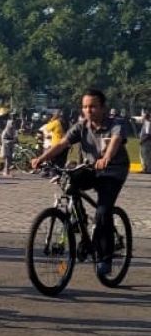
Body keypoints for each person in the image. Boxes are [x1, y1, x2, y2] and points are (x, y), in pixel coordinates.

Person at [31, 89, 129, 276]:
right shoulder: (81, 126)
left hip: (112, 172)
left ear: (103, 108)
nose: (88, 110)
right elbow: (61, 144)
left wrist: (106, 157)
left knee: (102, 212)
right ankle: (79, 219)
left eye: (93, 106)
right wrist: (41, 158)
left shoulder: (116, 124)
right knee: (69, 179)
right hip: (91, 169)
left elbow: (116, 141)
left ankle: (105, 258)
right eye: (85, 107)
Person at [0, 113, 18, 177]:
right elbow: (12, 131)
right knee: (7, 157)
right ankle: (6, 172)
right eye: (13, 116)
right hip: (6, 140)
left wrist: (15, 138)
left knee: (10, 157)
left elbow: (14, 132)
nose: (14, 118)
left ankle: (6, 170)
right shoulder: (11, 122)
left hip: (10, 140)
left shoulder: (12, 122)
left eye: (15, 116)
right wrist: (15, 139)